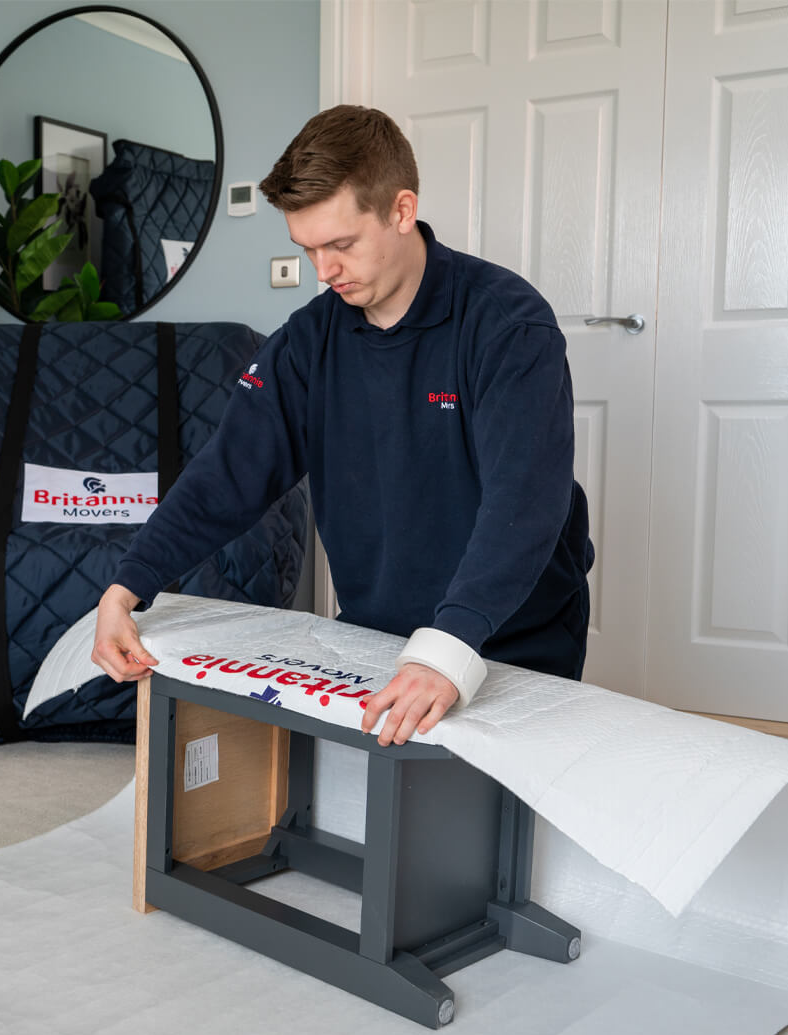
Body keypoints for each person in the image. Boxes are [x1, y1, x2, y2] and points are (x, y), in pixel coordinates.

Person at [91, 105, 594, 746]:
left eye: (340, 244)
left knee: (491, 841)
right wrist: (127, 586)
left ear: (401, 211)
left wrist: (448, 649)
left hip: (508, 634)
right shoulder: (308, 340)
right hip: (372, 633)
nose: (323, 271)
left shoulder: (505, 325)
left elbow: (524, 501)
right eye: (306, 250)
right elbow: (229, 474)